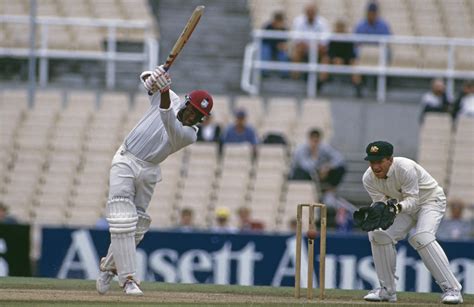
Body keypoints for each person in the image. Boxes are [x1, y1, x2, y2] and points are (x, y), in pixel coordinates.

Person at [95, 65, 213, 296]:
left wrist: (164, 89)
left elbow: (167, 116)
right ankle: (128, 279)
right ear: (187, 103)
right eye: (192, 110)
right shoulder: (172, 96)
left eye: (198, 115)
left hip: (149, 170)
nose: (192, 116)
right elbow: (145, 79)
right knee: (122, 217)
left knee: (137, 226)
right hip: (126, 159)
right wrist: (155, 78)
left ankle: (109, 267)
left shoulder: (190, 134)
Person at [359, 140, 463, 304]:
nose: (376, 167)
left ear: (390, 159)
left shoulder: (405, 168)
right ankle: (387, 291)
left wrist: (396, 208)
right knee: (378, 234)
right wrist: (377, 212)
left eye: (380, 161)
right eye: (372, 162)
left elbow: (413, 201)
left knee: (422, 236)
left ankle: (453, 290)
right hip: (403, 206)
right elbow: (382, 205)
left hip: (429, 201)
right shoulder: (368, 178)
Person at [288, 129, 346, 202]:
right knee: (302, 172)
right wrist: (315, 158)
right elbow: (306, 166)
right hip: (301, 174)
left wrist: (328, 166)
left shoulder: (324, 147)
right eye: (313, 141)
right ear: (309, 139)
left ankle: (329, 189)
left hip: (320, 173)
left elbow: (340, 158)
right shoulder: (300, 150)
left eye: (317, 141)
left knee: (341, 168)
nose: (315, 144)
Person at [320, 20, 362, 97]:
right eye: (338, 27)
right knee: (325, 60)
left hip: (346, 61)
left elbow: (351, 54)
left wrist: (343, 60)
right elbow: (330, 53)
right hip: (334, 61)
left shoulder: (348, 40)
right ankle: (320, 84)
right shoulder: (332, 39)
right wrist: (335, 59)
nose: (340, 29)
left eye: (341, 27)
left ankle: (358, 87)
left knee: (354, 63)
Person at [290, 4, 330, 79]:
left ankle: (322, 80)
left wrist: (314, 47)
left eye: (312, 12)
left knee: (325, 56)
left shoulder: (323, 22)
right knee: (296, 52)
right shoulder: (298, 21)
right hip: (303, 49)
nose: (310, 14)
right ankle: (295, 78)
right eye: (309, 12)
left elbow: (324, 41)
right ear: (305, 12)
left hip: (318, 50)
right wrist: (309, 47)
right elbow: (297, 40)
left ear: (316, 13)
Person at [261, 11, 290, 77]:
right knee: (265, 51)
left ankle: (284, 73)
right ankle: (264, 72)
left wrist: (282, 46)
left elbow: (284, 42)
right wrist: (276, 45)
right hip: (268, 47)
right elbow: (264, 40)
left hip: (278, 49)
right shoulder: (267, 27)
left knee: (283, 53)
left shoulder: (284, 29)